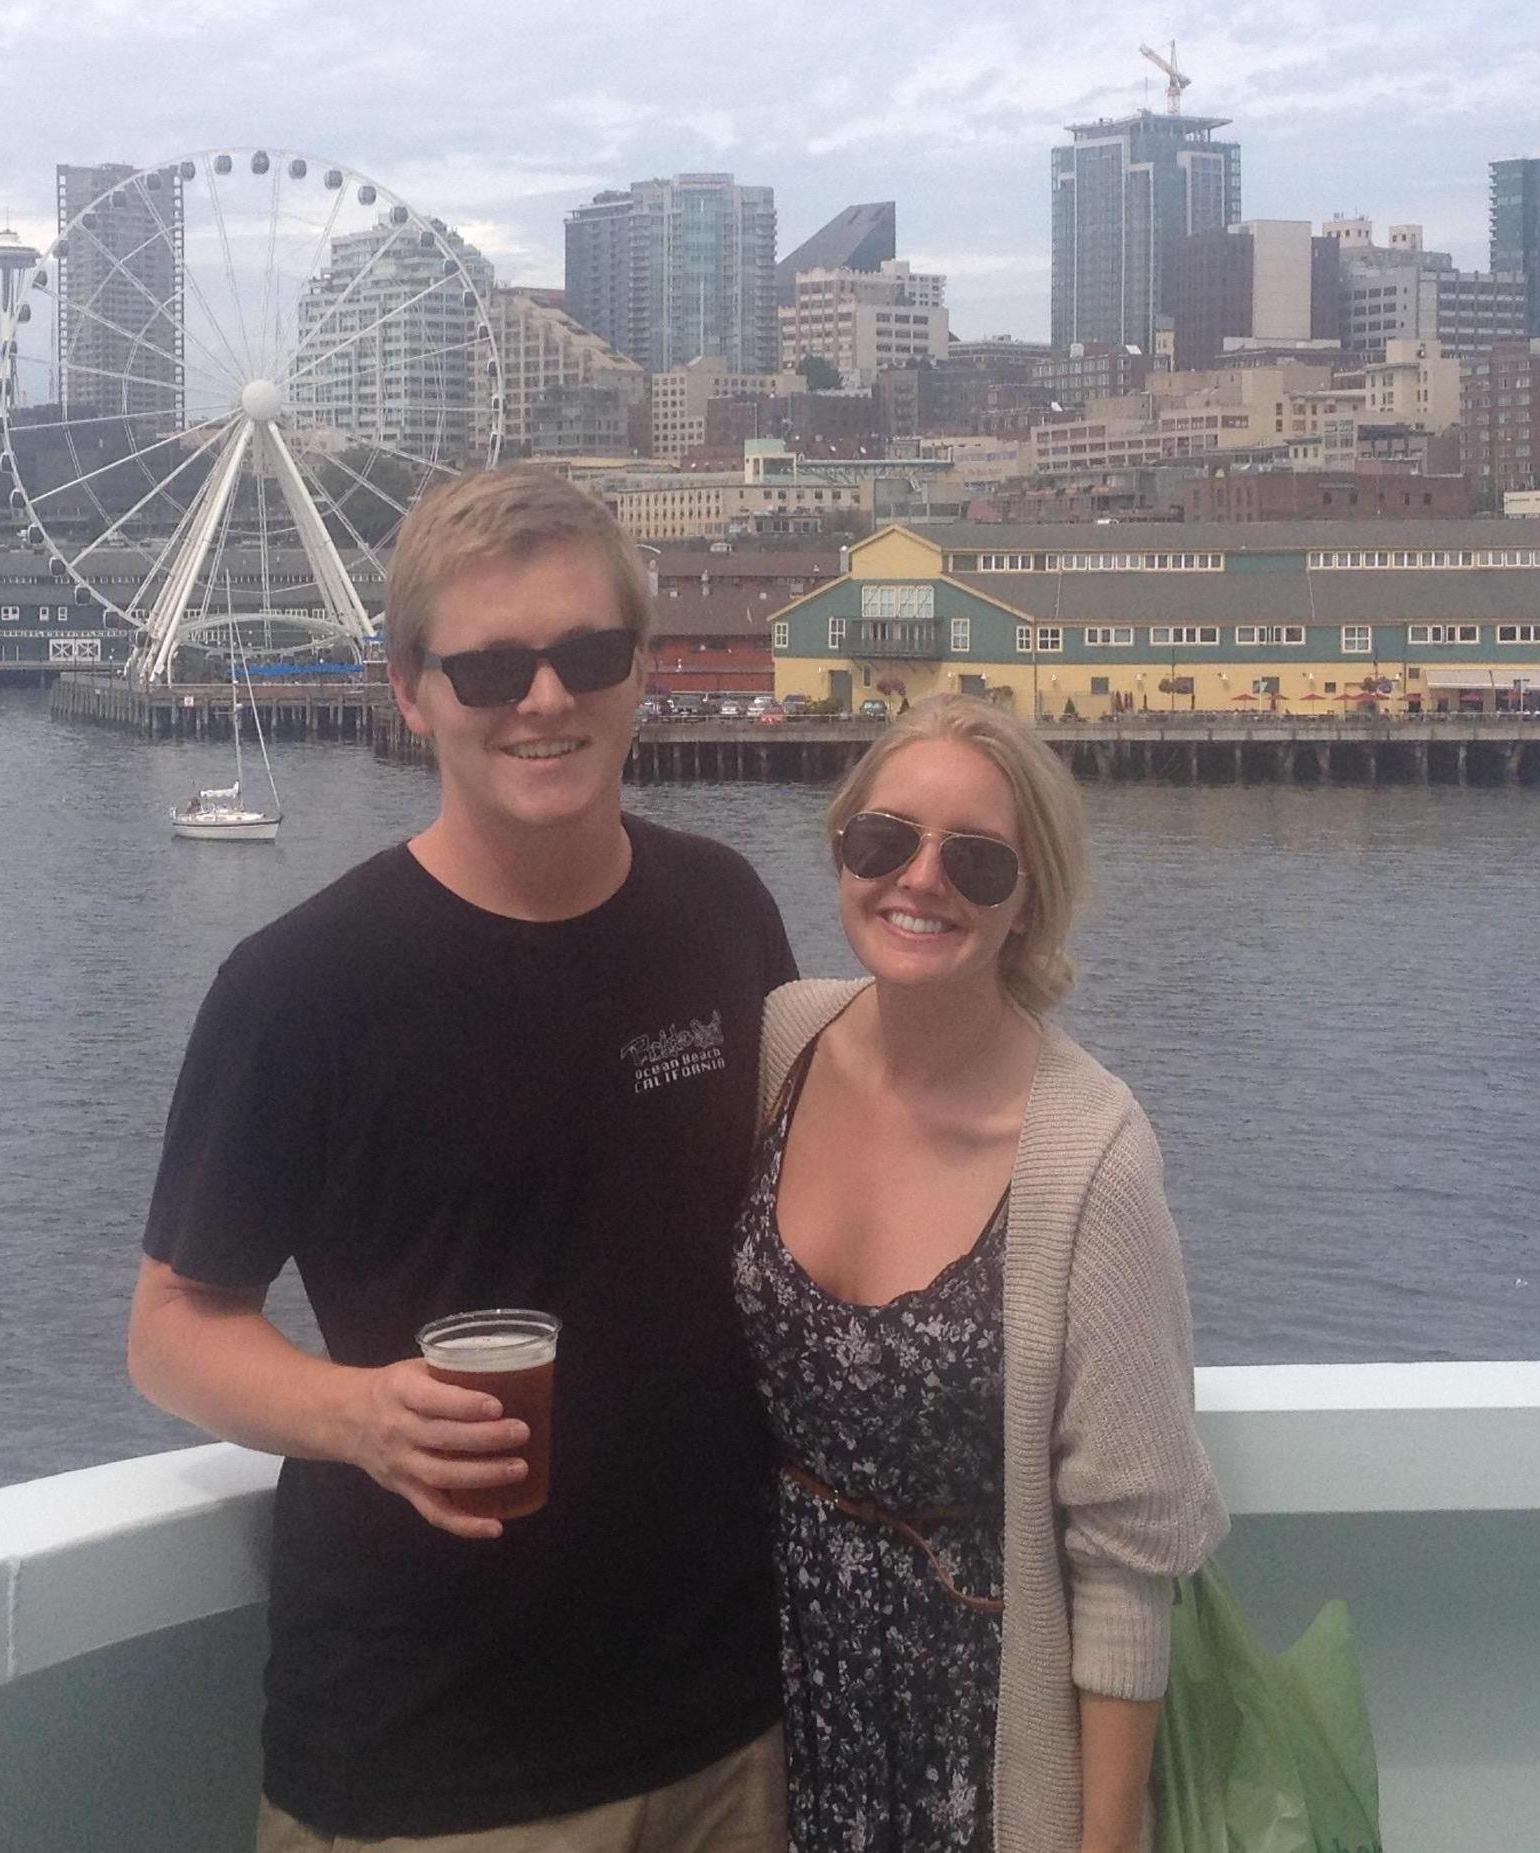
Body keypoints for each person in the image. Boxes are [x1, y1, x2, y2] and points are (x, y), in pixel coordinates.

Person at [129, 467, 797, 1851]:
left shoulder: (723, 912)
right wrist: (356, 1415)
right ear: (411, 688)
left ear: (640, 673)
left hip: (730, 1723)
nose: (543, 700)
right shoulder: (300, 986)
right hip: (430, 1764)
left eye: (586, 655)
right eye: (489, 666)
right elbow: (174, 1332)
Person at [733, 695, 1227, 1853]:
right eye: (882, 839)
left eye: (976, 858)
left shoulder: (1088, 1154)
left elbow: (1124, 1550)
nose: (919, 879)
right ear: (838, 849)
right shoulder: (779, 1043)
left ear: (1027, 901)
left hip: (973, 1729)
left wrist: (1106, 1836)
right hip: (762, 1698)